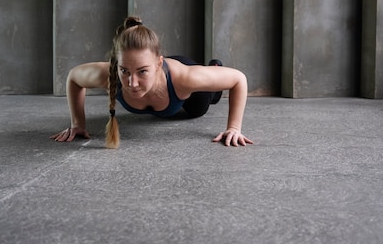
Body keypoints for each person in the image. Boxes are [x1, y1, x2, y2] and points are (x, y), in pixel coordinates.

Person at [50, 16, 253, 148]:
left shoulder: (185, 79)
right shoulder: (109, 75)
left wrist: (234, 128)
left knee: (202, 106)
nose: (132, 83)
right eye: (124, 71)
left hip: (183, 86)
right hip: (159, 69)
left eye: (142, 72)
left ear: (158, 63)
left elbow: (238, 79)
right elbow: (74, 78)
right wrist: (77, 124)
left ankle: (214, 67)